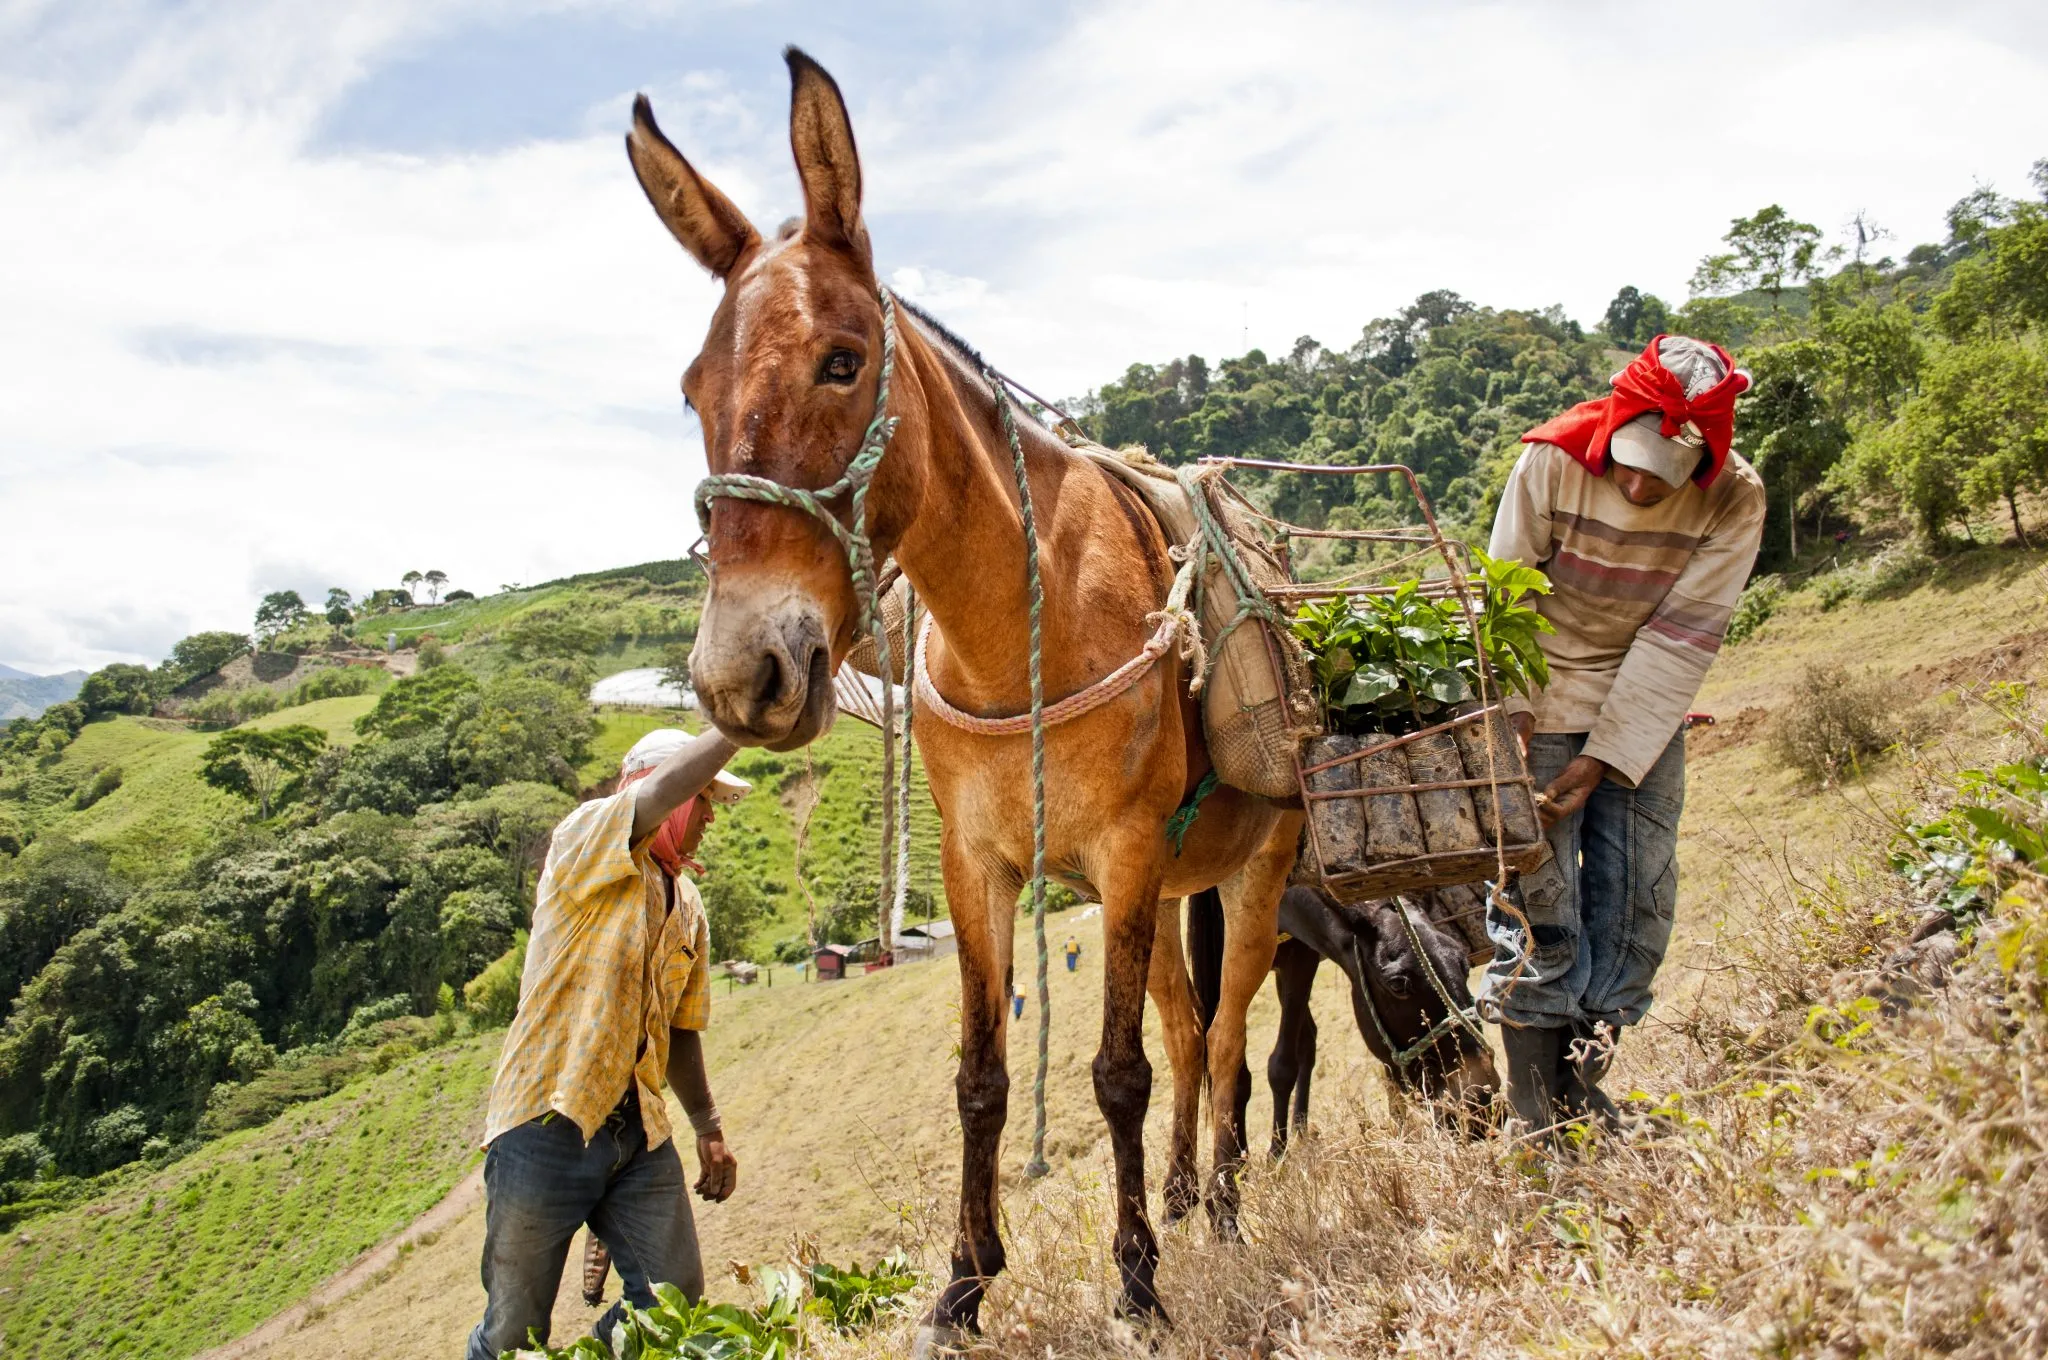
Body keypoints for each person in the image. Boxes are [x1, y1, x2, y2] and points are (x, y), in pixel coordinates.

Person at [1479, 335, 1764, 1137]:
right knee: (1541, 907)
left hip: (1641, 705)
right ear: (1613, 426)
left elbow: (1683, 635)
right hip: (1535, 693)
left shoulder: (1733, 497)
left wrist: (1605, 756)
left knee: (1637, 900)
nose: (1639, 484)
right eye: (1630, 463)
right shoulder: (1549, 462)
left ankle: (1580, 1091)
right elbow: (1506, 603)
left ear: (1703, 461)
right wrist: (1517, 724)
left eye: (1662, 475)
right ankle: (1532, 1113)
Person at [466, 728, 751, 1359]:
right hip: (545, 1123)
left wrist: (708, 1126)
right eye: (701, 796)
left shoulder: (689, 904)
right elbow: (652, 799)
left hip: (637, 1133)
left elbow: (681, 1028)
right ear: (661, 789)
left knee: (671, 1300)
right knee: (515, 1335)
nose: (707, 813)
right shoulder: (586, 836)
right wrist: (737, 727)